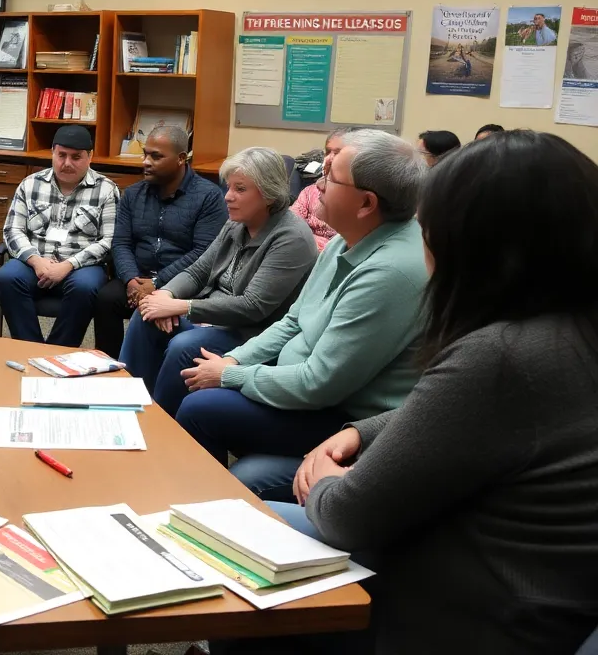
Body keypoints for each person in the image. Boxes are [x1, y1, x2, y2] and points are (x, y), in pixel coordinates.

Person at [250, 131, 598, 655]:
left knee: (250, 537)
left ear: (472, 242)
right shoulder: (565, 328)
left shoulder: (499, 354)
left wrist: (324, 478)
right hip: (544, 591)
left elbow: (348, 515)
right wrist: (358, 431)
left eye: (429, 223)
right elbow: (456, 413)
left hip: (467, 612)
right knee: (255, 485)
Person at [179, 130, 428, 500]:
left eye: (330, 176)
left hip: (350, 422)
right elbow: (294, 320)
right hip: (313, 395)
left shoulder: (390, 272)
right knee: (198, 368)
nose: (317, 183)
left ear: (366, 203)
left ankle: (206, 509)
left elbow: (319, 383)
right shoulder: (351, 236)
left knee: (202, 407)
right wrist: (233, 360)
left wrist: (231, 375)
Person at [121, 147, 317, 417]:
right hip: (211, 315)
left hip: (250, 332)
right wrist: (165, 295)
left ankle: (162, 424)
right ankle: (127, 402)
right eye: (229, 187)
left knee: (183, 346)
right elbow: (199, 270)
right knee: (145, 316)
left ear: (269, 193)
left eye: (240, 189)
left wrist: (182, 307)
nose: (228, 196)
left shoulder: (291, 237)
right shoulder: (237, 222)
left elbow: (253, 306)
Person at [92, 125, 227, 358]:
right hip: (138, 277)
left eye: (156, 156)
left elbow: (204, 252)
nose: (146, 161)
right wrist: (131, 280)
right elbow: (121, 243)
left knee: (155, 312)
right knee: (106, 299)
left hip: (185, 282)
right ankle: (110, 368)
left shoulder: (208, 197)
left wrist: (158, 283)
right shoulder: (134, 194)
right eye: (145, 154)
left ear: (181, 159)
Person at [0, 125, 119, 347]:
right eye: (61, 155)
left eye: (76, 157)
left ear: (90, 156)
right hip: (35, 263)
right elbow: (12, 230)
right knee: (7, 277)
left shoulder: (106, 190)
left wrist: (69, 265)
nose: (67, 163)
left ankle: (58, 352)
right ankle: (29, 349)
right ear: (53, 152)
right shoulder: (30, 184)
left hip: (81, 266)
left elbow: (109, 241)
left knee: (85, 287)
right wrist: (36, 261)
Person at [290, 127, 354, 251]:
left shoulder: (354, 196)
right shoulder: (310, 192)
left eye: (337, 153)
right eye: (328, 152)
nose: (329, 158)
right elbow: (291, 227)